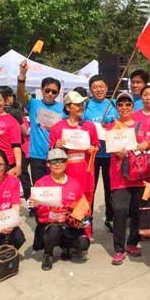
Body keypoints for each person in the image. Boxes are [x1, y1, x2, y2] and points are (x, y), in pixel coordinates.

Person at [107, 93, 150, 265]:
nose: (124, 107)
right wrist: (117, 151)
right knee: (119, 211)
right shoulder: (112, 127)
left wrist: (145, 144)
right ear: (117, 107)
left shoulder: (141, 125)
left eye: (127, 104)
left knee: (137, 211)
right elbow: (111, 147)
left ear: (133, 106)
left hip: (139, 175)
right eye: (120, 104)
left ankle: (132, 243)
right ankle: (119, 249)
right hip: (119, 177)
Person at [30, 149, 91, 271]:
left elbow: (84, 208)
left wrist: (83, 220)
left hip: (69, 225)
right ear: (48, 164)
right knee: (54, 229)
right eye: (53, 161)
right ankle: (48, 254)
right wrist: (32, 204)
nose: (57, 164)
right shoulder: (41, 184)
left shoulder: (74, 184)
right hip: (49, 225)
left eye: (61, 161)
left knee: (84, 243)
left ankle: (67, 248)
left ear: (66, 162)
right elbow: (32, 206)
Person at [49, 91, 100, 238]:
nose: (81, 107)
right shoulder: (57, 128)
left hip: (86, 173)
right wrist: (56, 146)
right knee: (67, 203)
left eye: (82, 104)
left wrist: (93, 149)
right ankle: (67, 235)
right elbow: (51, 153)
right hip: (67, 174)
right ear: (68, 107)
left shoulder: (89, 126)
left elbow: (96, 145)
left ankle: (85, 233)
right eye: (77, 104)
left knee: (85, 203)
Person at [17, 61, 64, 183]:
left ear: (58, 93)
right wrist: (22, 75)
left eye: (54, 92)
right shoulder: (33, 104)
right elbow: (21, 95)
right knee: (39, 188)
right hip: (36, 156)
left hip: (55, 155)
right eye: (47, 90)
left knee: (56, 188)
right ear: (42, 90)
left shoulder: (62, 109)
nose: (50, 94)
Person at [83, 75, 119, 232]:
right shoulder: (85, 105)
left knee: (110, 189)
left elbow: (122, 124)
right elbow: (78, 124)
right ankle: (87, 221)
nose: (98, 90)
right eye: (95, 87)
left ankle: (110, 219)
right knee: (89, 189)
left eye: (101, 86)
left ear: (106, 88)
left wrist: (112, 125)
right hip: (91, 155)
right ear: (90, 90)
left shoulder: (114, 104)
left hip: (111, 154)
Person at [0, 85, 31, 200]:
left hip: (0, 149)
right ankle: (29, 202)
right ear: (8, 97)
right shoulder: (15, 112)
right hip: (16, 148)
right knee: (23, 176)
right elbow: (24, 131)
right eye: (12, 95)